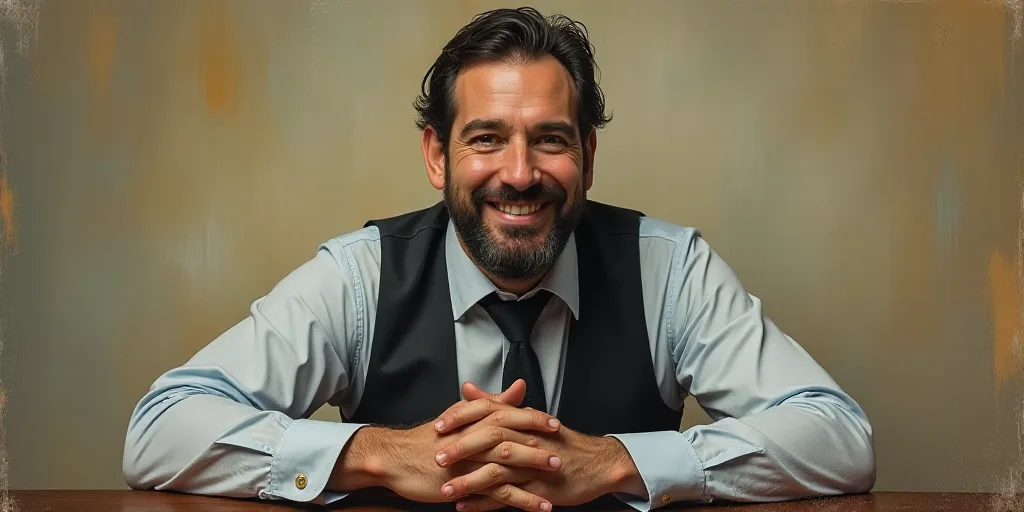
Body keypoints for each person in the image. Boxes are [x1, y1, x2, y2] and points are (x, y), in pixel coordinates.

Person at [122, 7, 875, 511]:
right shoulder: (358, 277)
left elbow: (840, 439)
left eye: (549, 139)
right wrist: (379, 455)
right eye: (486, 139)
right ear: (436, 155)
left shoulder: (670, 270)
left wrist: (617, 462)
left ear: (587, 155)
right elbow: (160, 429)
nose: (519, 174)